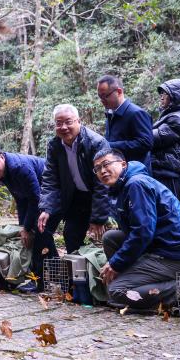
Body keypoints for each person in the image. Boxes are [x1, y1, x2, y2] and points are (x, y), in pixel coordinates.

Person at [93, 149, 180, 310]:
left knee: (117, 291)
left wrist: (116, 264)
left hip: (175, 255)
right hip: (157, 247)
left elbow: (142, 233)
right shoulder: (121, 188)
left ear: (123, 164)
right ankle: (135, 282)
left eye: (106, 164)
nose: (102, 171)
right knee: (111, 237)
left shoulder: (136, 184)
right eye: (97, 168)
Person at [36, 104, 113, 260]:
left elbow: (102, 183)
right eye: (59, 123)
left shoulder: (96, 143)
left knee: (105, 240)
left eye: (68, 122)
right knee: (71, 235)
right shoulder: (55, 146)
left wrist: (98, 218)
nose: (63, 127)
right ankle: (77, 280)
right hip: (75, 198)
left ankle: (105, 279)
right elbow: (50, 178)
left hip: (98, 198)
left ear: (79, 121)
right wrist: (46, 208)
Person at [0, 144, 45, 289]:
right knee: (28, 235)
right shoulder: (4, 172)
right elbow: (20, 199)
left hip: (54, 195)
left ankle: (40, 281)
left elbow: (35, 198)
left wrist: (27, 228)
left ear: (1, 157)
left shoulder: (20, 168)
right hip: (39, 199)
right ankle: (43, 274)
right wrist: (22, 227)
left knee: (41, 233)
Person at [150, 79, 180, 205]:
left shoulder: (178, 119)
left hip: (170, 175)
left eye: (165, 94)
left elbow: (152, 139)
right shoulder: (171, 115)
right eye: (161, 94)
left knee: (172, 214)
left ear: (175, 96)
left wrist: (135, 130)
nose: (161, 97)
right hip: (165, 172)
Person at [97, 75, 154, 175]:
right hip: (117, 172)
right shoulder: (110, 113)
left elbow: (146, 143)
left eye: (105, 96)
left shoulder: (136, 113)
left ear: (118, 92)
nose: (102, 100)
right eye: (100, 97)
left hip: (135, 174)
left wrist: (110, 145)